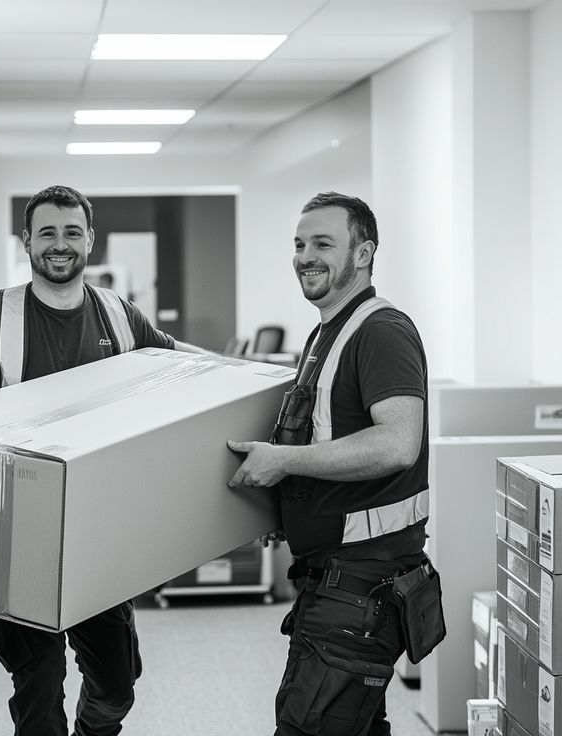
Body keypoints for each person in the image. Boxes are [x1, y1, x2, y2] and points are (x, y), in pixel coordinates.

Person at [0, 184, 202, 736]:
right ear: (27, 241)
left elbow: (187, 364)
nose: (59, 244)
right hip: (14, 541)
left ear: (90, 239)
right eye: (47, 233)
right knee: (39, 692)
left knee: (117, 683)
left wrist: (260, 379)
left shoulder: (118, 314)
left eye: (72, 232)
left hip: (98, 539)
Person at [227, 192, 431, 736]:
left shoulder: (381, 331)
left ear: (363, 253)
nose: (305, 256)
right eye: (298, 245)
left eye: (323, 243)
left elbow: (397, 444)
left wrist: (285, 462)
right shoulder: (324, 333)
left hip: (364, 584)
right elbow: (328, 437)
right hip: (333, 577)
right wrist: (288, 506)